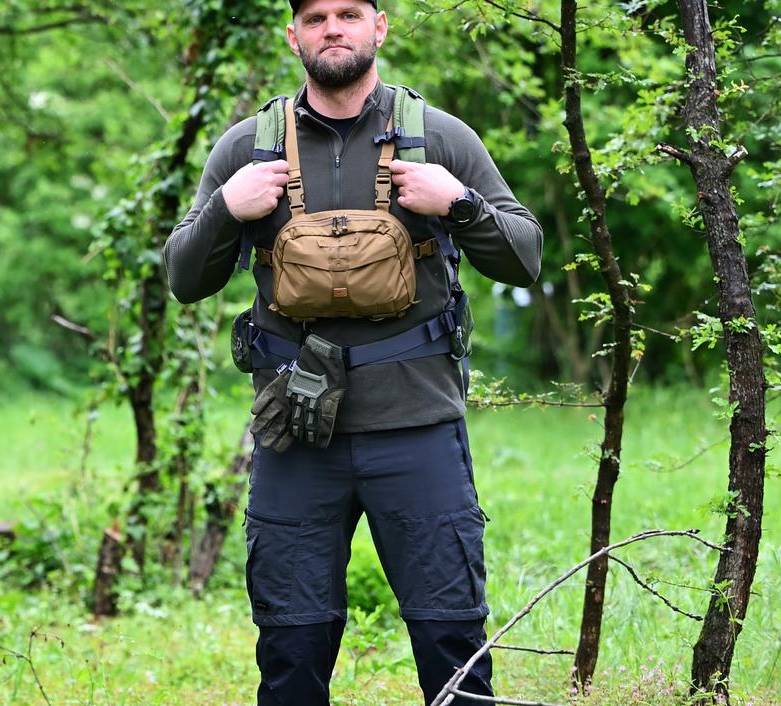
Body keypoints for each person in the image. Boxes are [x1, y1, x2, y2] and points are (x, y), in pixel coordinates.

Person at [163, 0, 543, 703]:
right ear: (293, 34)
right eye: (313, 17)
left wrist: (457, 202)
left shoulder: (440, 138)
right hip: (296, 434)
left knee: (451, 639)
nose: (331, 28)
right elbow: (184, 279)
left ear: (380, 26)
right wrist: (226, 207)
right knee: (291, 644)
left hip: (418, 429)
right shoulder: (249, 147)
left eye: (347, 13)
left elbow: (525, 260)